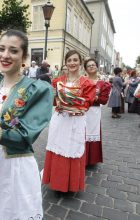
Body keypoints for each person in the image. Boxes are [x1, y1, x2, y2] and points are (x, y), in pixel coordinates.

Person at [0, 29, 53, 219]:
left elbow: (26, 135)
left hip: (15, 165)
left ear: (24, 56)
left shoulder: (38, 90)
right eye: (2, 49)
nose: (5, 55)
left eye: (13, 51)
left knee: (14, 211)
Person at [42, 50, 96, 193]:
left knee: (72, 148)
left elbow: (87, 104)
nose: (72, 63)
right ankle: (56, 181)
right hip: (60, 120)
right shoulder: (57, 81)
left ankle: (70, 184)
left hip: (75, 121)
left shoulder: (87, 83)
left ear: (80, 63)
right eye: (69, 60)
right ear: (65, 63)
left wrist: (73, 105)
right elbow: (53, 101)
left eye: (75, 60)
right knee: (57, 147)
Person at [84, 58, 111, 166]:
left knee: (92, 133)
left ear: (97, 67)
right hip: (82, 110)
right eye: (89, 65)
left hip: (94, 111)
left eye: (93, 65)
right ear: (85, 68)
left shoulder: (102, 83)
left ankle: (91, 159)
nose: (91, 66)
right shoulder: (82, 81)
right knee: (81, 132)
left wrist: (94, 98)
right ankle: (81, 157)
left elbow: (104, 101)